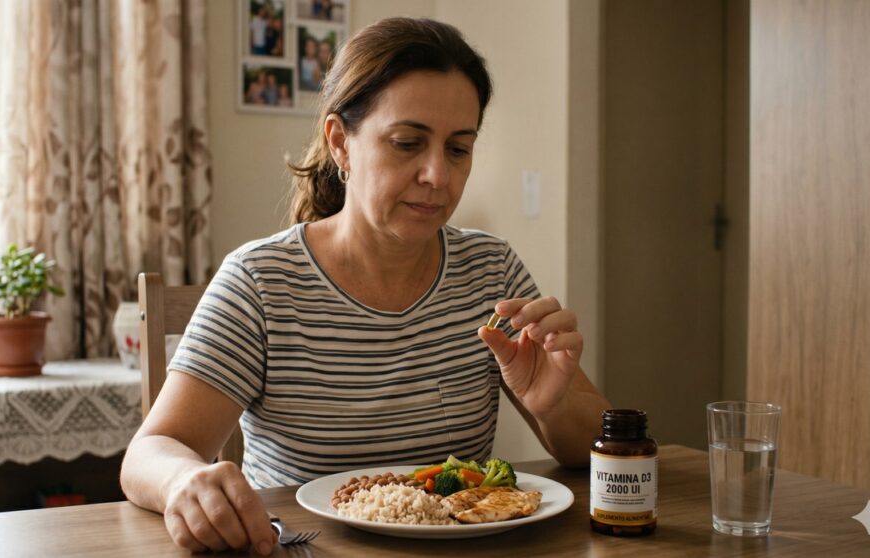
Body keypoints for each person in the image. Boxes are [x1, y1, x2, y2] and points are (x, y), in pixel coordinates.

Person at [120, 17, 610, 555]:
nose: (437, 177)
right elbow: (151, 452)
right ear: (341, 143)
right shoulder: (261, 281)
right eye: (407, 143)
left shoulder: (490, 271)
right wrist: (182, 481)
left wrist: (550, 405)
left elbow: (590, 451)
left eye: (457, 149)